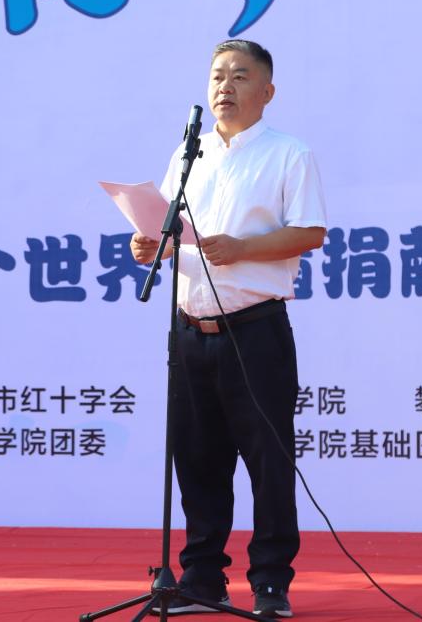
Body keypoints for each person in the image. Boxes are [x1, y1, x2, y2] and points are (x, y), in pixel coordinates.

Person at [131, 40, 327, 618]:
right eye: (217, 75)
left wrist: (242, 249)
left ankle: (270, 582)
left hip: (255, 331)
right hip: (189, 330)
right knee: (197, 459)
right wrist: (151, 245)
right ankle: (202, 577)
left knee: (268, 462)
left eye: (240, 76)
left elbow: (310, 232)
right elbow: (169, 227)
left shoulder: (288, 153)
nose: (225, 86)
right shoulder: (187, 155)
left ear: (267, 92)